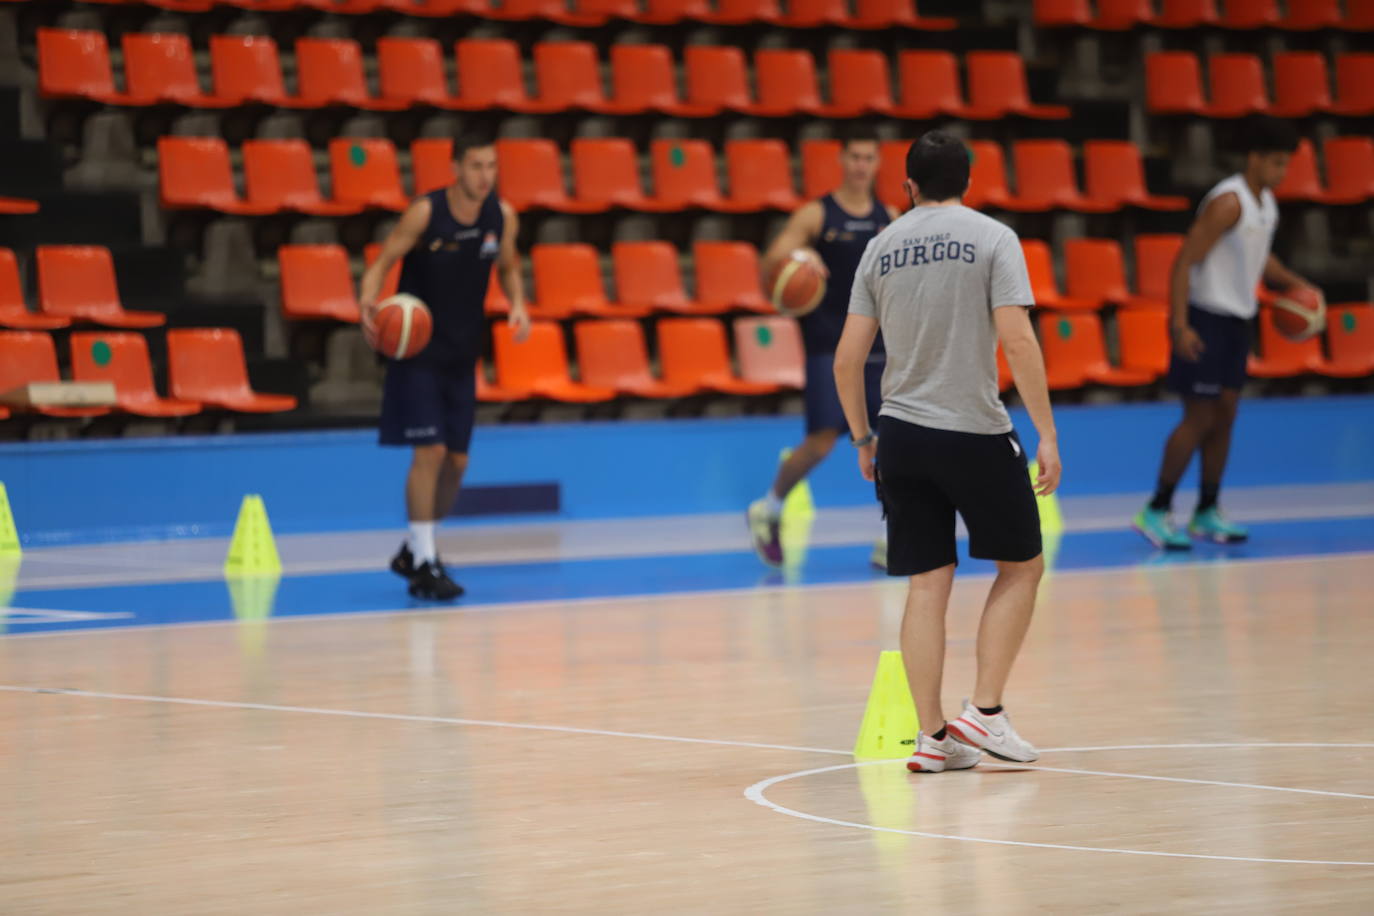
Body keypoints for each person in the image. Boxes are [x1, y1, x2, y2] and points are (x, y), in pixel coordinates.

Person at [833, 130, 1061, 774]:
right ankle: (984, 713)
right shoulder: (993, 238)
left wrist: (862, 437)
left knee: (926, 584)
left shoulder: (880, 246)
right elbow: (1017, 341)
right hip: (974, 431)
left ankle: (933, 736)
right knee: (1021, 567)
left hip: (900, 433)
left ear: (907, 186)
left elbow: (848, 360)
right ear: (968, 182)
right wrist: (1045, 432)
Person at [359, 135, 530, 600]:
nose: (485, 176)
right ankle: (427, 562)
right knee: (430, 453)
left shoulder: (502, 217)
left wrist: (517, 303)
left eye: (492, 166)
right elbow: (385, 259)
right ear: (456, 166)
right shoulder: (426, 212)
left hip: (462, 354)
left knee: (457, 462)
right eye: (476, 166)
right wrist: (368, 298)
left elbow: (509, 266)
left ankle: (414, 550)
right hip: (417, 354)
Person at [1132, 116, 1310, 550]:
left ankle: (1207, 509)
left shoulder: (1266, 204)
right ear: (1253, 158)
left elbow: (1260, 260)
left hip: (1237, 322)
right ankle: (1155, 509)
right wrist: (1180, 323)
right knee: (1200, 417)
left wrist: (1297, 284)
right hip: (1205, 318)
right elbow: (1184, 262)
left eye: (1286, 165)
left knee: (1226, 415)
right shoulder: (1228, 203)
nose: (1281, 173)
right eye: (1275, 163)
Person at [747, 128, 900, 569]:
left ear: (877, 164)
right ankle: (770, 508)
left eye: (868, 157)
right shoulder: (816, 216)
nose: (860, 165)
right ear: (842, 158)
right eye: (854, 156)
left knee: (892, 438)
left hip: (876, 342)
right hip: (826, 342)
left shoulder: (887, 216)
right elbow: (769, 270)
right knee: (821, 442)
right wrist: (799, 260)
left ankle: (892, 535)